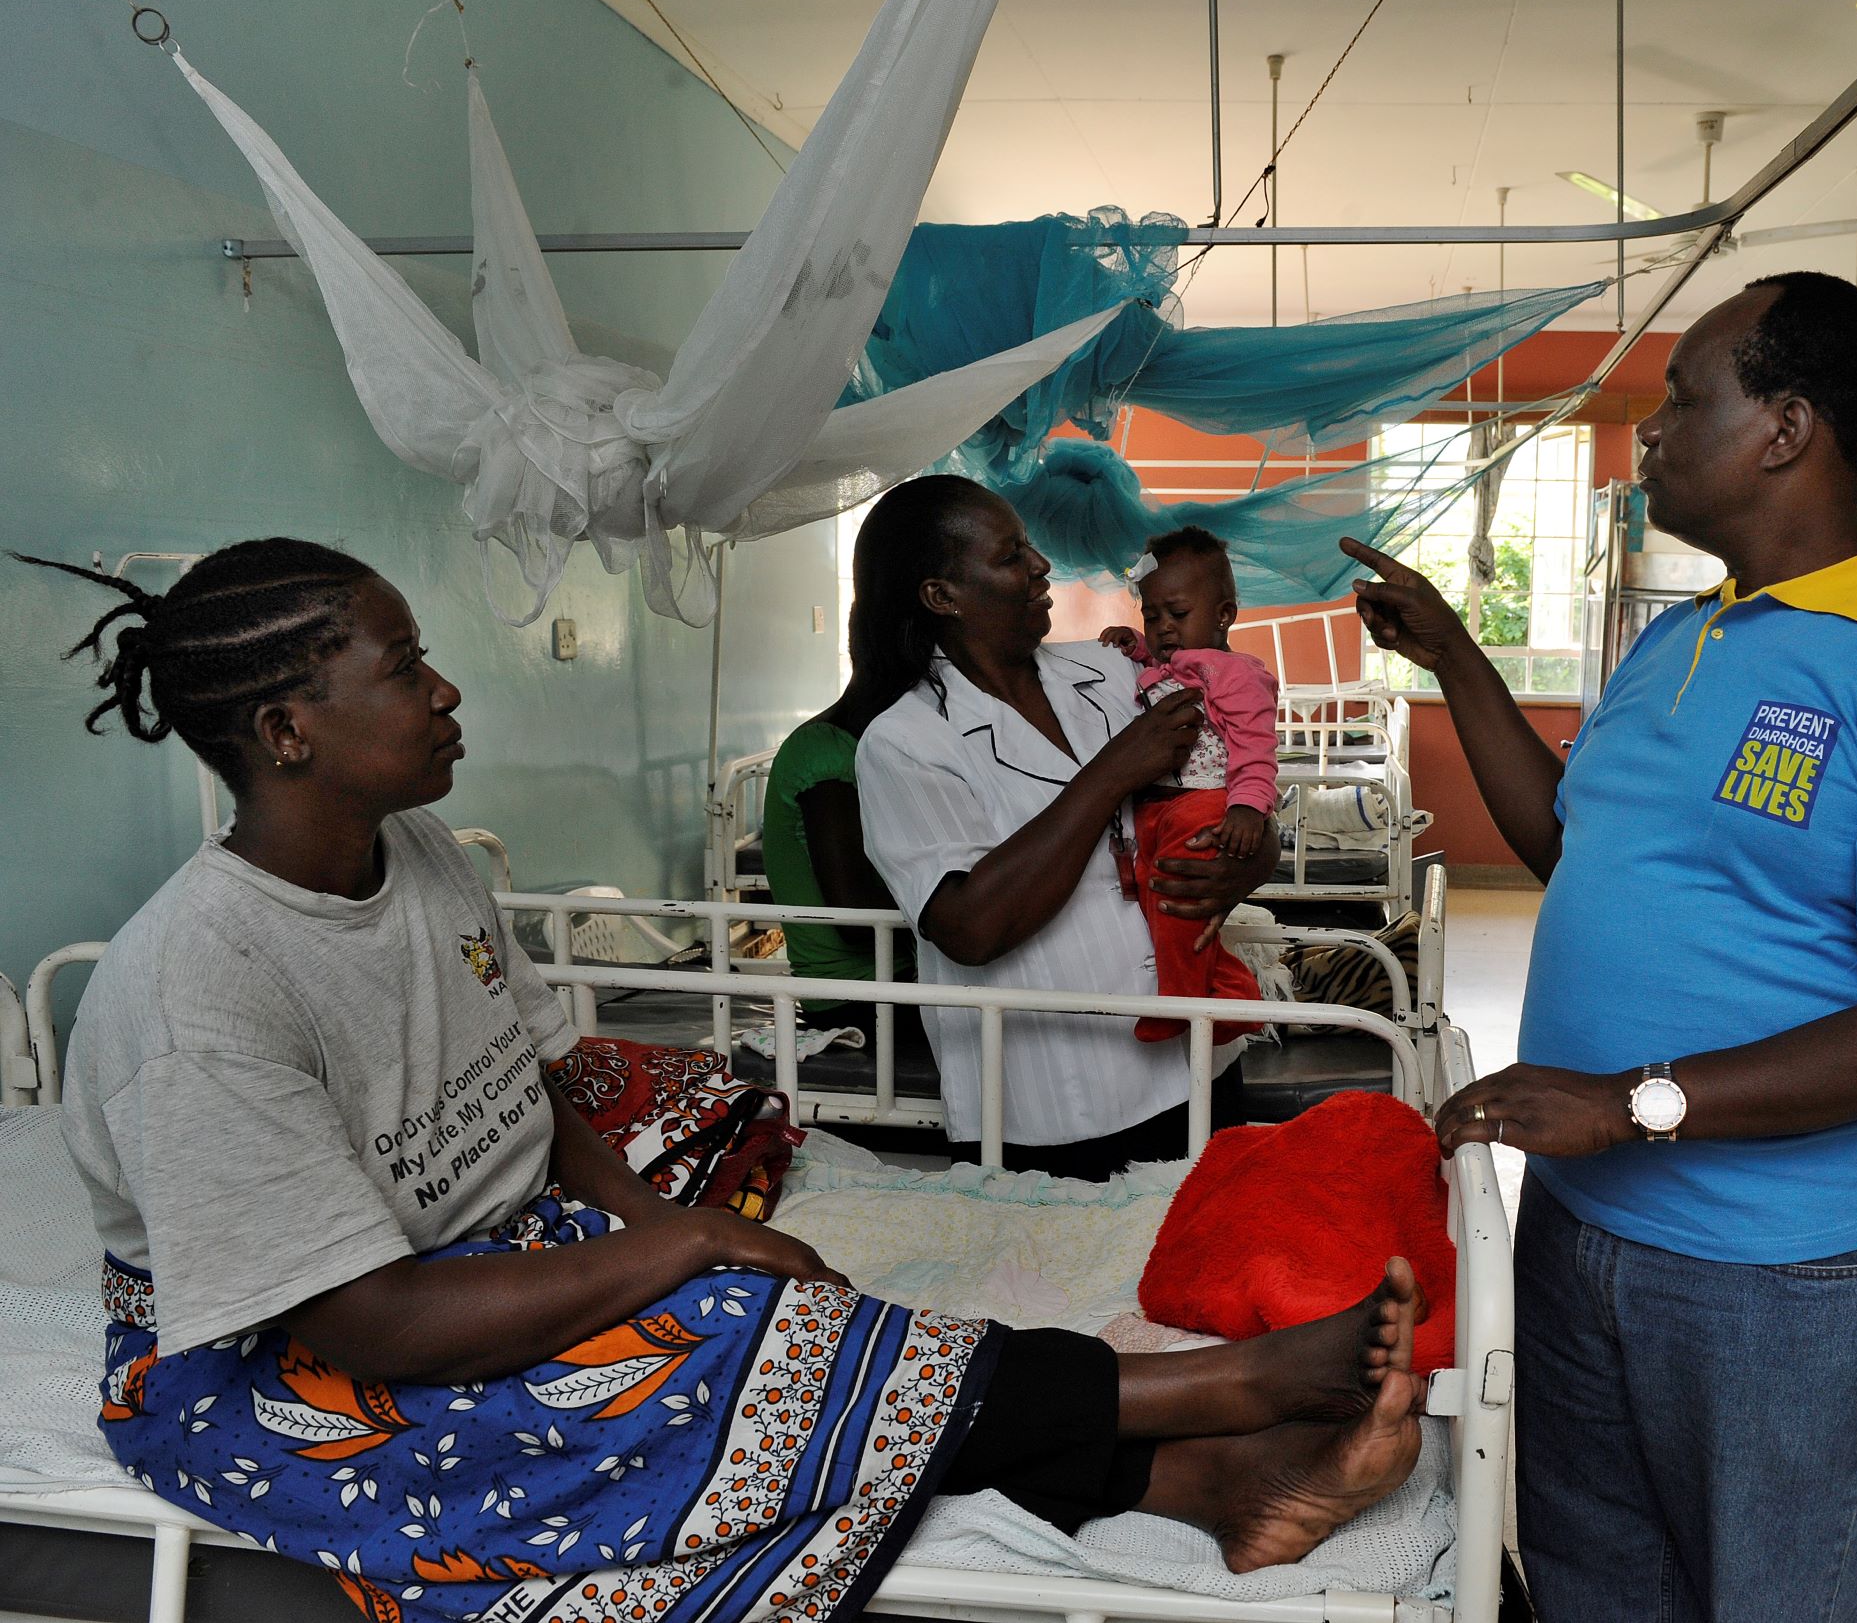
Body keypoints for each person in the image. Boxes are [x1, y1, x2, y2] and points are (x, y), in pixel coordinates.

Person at [17, 539, 1425, 1623]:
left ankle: (1212, 1482)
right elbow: (371, 1323)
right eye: (402, 665)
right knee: (733, 1355)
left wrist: (643, 1217)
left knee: (776, 1313)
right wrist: (679, 1237)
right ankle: (1207, 1394)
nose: (444, 688)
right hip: (289, 1368)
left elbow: (521, 1085)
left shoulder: (421, 856)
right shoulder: (197, 993)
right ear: (286, 729)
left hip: (464, 1258)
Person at [1343, 271, 1857, 1623]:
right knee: (1593, 1578)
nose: (1648, 431)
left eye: (1681, 397)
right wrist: (1452, 659)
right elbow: (1569, 840)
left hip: (1784, 1268)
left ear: (1783, 428)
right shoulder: (1679, 637)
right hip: (1581, 1224)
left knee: (1764, 1594)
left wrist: (1627, 1101)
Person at [854, 479, 1281, 1181]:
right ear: (942, 595)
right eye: (1011, 553)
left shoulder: (1114, 671)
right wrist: (1111, 772)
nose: (1041, 565)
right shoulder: (905, 742)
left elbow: (1236, 779)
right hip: (1053, 1103)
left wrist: (1252, 853)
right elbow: (968, 925)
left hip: (1196, 1064)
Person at [1098, 527, 1278, 1043]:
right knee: (1159, 907)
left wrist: (1247, 808)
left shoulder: (1236, 675)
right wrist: (1132, 645)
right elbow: (1158, 663)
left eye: (1177, 615)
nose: (1163, 628)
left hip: (1205, 805)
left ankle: (1179, 1003)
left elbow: (1256, 750)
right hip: (1154, 808)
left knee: (1178, 905)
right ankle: (1230, 994)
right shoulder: (1167, 662)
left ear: (1224, 615)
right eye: (1151, 617)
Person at [757, 679, 917, 1036]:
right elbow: (855, 919)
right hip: (855, 1002)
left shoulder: (865, 748)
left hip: (889, 986)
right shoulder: (824, 753)